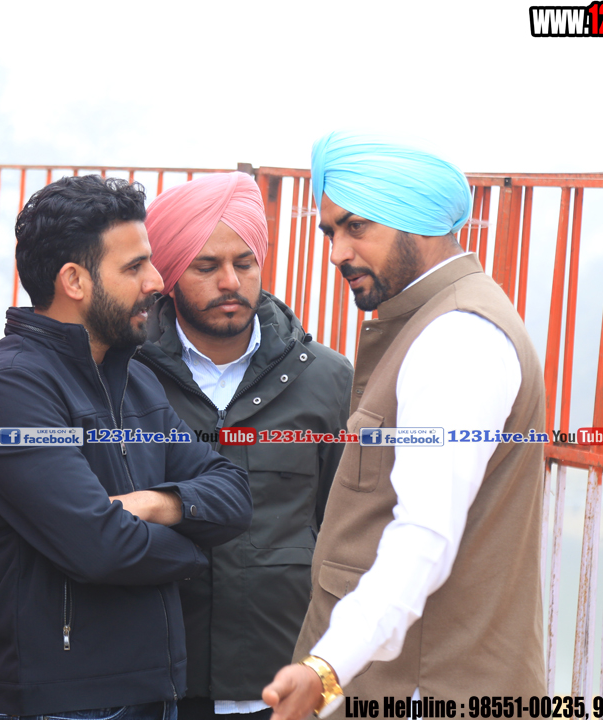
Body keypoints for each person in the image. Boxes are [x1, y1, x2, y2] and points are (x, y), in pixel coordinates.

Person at [263, 133, 547, 718]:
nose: (337, 252)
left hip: (425, 688)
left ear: (414, 220)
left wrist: (327, 666)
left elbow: (424, 534)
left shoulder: (457, 339)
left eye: (356, 226)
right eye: (330, 232)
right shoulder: (431, 321)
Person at [0, 175, 253, 720]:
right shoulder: (11, 389)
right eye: (135, 266)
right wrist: (197, 553)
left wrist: (157, 504)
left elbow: (234, 492)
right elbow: (99, 545)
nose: (156, 281)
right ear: (74, 280)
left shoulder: (135, 380)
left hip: (155, 692)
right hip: (64, 704)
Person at [136, 172, 353, 720]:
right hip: (156, 684)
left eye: (245, 263)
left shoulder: (327, 379)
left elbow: (347, 530)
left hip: (285, 682)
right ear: (169, 272)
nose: (230, 281)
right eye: (206, 266)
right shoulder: (128, 377)